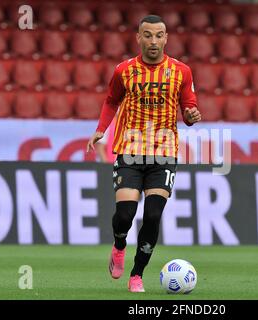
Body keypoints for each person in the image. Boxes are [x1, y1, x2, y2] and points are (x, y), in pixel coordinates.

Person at [86, 15, 201, 293]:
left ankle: (137, 274)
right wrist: (101, 129)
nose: (153, 41)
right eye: (147, 35)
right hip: (130, 151)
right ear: (138, 38)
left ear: (166, 38)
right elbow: (111, 100)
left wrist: (191, 115)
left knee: (152, 216)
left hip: (163, 154)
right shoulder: (124, 70)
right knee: (125, 216)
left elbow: (189, 106)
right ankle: (119, 245)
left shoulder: (181, 71)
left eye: (159, 35)